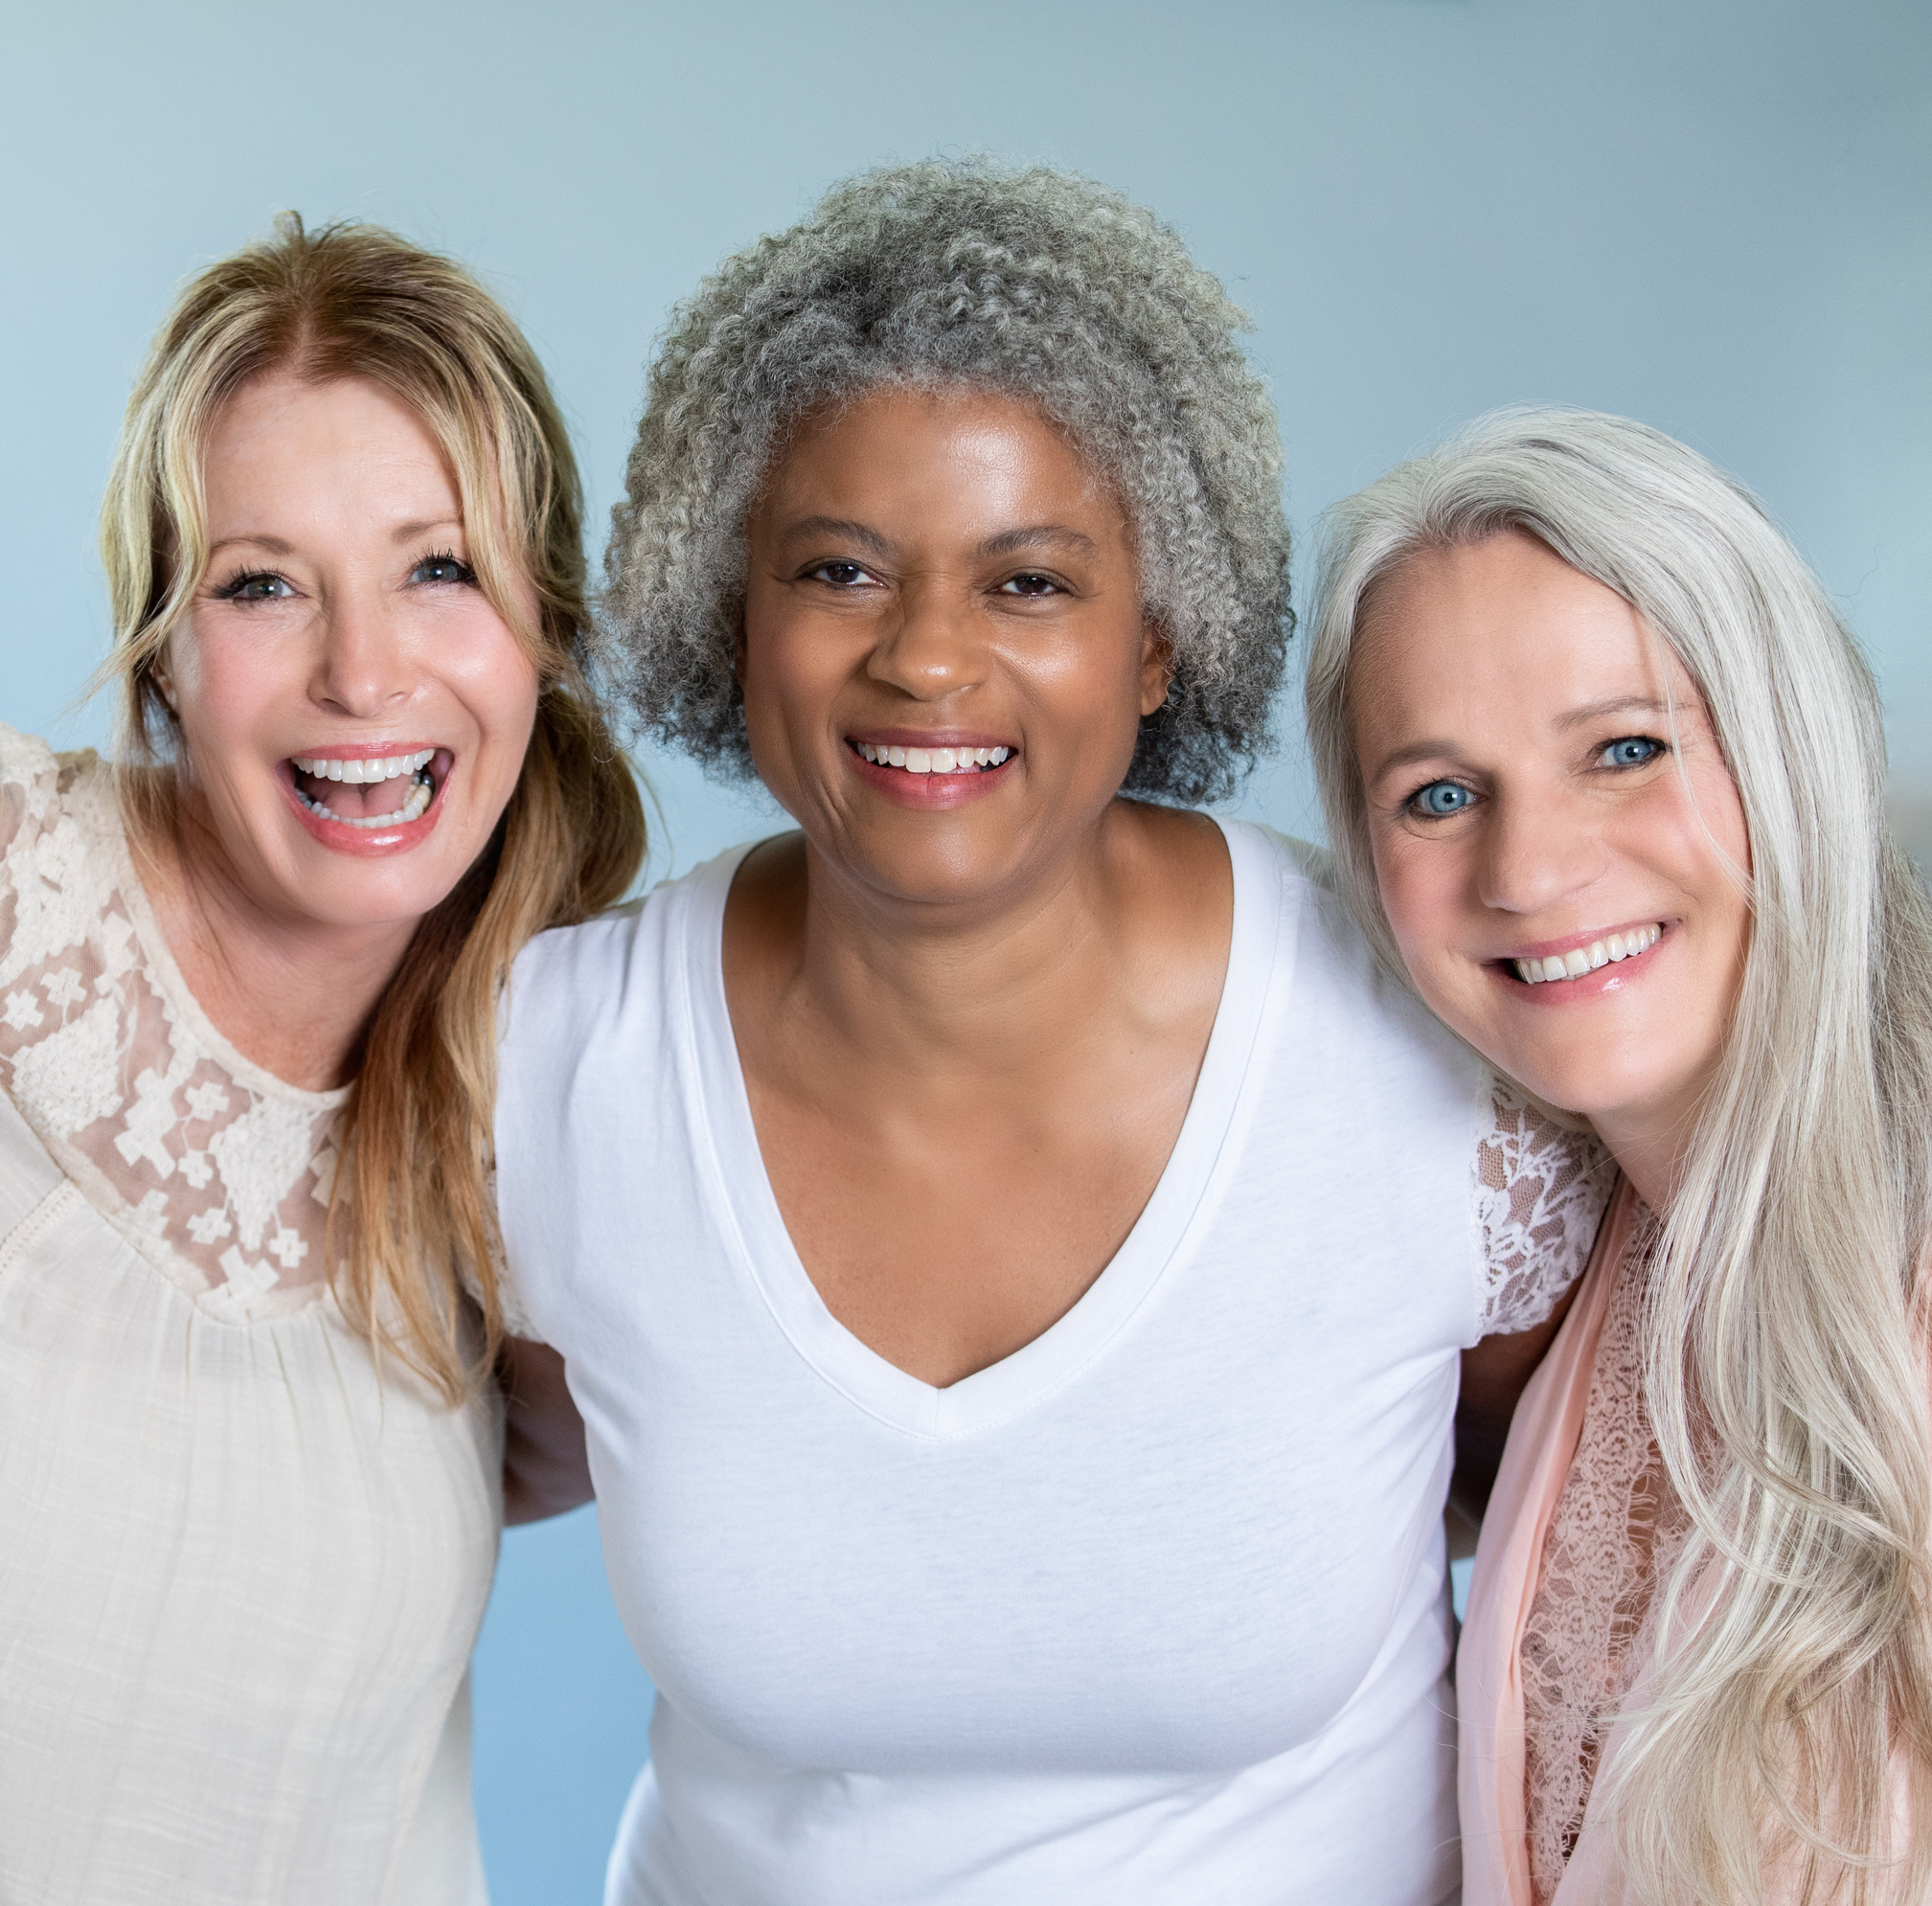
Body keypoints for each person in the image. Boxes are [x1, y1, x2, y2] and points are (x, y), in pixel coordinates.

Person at [494, 157, 1609, 1904]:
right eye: (842, 569)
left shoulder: (1412, 1053)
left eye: (1027, 583)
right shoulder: (557, 1069)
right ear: (737, 616)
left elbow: (1563, 1544)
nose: (927, 663)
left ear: (1157, 643)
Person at [0, 216, 641, 1902]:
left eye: (439, 566)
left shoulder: (559, 1068)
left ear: (540, 628)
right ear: (164, 653)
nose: (362, 672)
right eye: (264, 583)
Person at [1307, 408, 1932, 1905]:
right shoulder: (1585, 1265)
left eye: (1623, 749)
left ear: (1787, 745)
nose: (1527, 872)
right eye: (1437, 794)